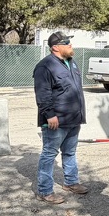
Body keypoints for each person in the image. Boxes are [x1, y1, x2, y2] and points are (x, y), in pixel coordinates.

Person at [33, 31, 89, 204]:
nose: (71, 46)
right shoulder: (45, 66)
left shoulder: (72, 63)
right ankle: (45, 191)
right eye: (67, 43)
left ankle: (71, 182)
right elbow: (43, 93)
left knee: (70, 152)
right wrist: (49, 115)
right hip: (57, 120)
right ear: (56, 47)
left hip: (74, 118)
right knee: (49, 154)